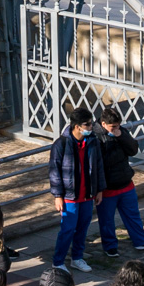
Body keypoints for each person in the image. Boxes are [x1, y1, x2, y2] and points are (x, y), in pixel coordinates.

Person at [47, 106, 105, 273]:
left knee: (83, 228)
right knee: (67, 229)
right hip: (70, 196)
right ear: (77, 126)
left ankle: (77, 257)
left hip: (87, 194)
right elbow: (54, 171)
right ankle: (58, 262)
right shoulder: (61, 144)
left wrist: (99, 189)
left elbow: (98, 166)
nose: (91, 127)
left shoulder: (92, 142)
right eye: (87, 124)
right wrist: (58, 195)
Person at [97, 107, 144, 253]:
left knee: (133, 215)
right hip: (108, 187)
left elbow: (133, 149)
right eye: (113, 127)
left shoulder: (121, 132)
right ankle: (110, 246)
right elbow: (98, 163)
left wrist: (121, 136)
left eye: (118, 126)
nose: (116, 129)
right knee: (107, 220)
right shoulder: (96, 138)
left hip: (125, 182)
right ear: (103, 124)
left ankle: (141, 240)